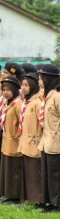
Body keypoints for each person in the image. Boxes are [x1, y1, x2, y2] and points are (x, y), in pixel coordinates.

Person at [37, 65, 60, 211]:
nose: (39, 81)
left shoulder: (57, 97)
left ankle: (56, 203)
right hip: (45, 141)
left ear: (48, 79)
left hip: (55, 140)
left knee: (55, 173)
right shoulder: (46, 96)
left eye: (41, 78)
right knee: (46, 173)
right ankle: (47, 201)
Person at [18, 74, 43, 207]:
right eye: (22, 85)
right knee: (28, 171)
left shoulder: (37, 103)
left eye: (26, 85)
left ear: (33, 86)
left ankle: (38, 198)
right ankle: (30, 197)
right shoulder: (26, 102)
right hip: (25, 142)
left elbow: (42, 123)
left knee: (35, 172)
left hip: (35, 142)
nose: (23, 88)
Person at [0, 76, 24, 204]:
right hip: (6, 142)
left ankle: (15, 197)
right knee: (7, 170)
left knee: (14, 170)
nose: (5, 92)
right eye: (3, 89)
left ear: (15, 90)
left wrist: (18, 135)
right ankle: (8, 194)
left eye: (8, 89)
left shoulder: (18, 104)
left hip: (15, 142)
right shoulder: (7, 103)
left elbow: (22, 122)